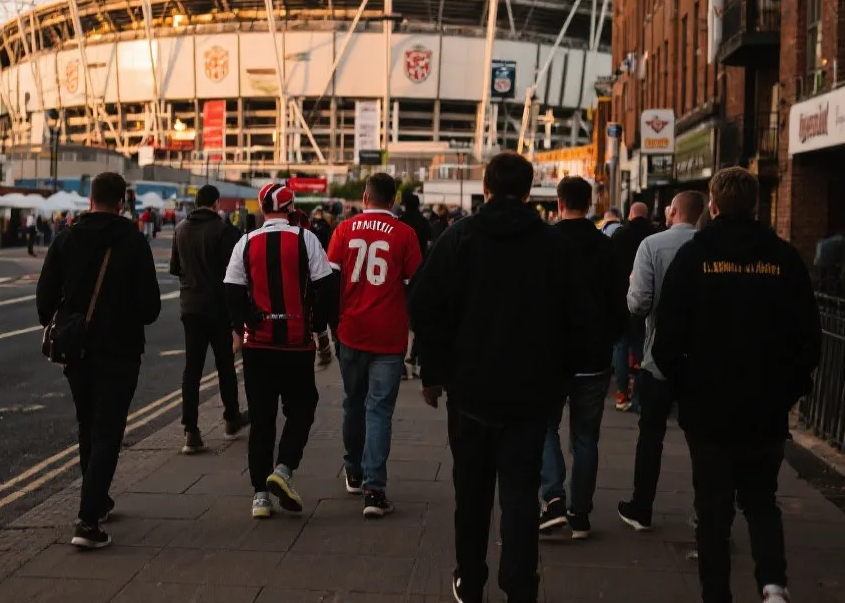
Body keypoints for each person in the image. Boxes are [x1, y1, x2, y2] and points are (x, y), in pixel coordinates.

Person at [410, 152, 585, 603]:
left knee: (471, 493)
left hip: (470, 393)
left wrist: (433, 372)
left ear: (486, 187)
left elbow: (425, 305)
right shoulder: (554, 245)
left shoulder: (459, 237)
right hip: (531, 396)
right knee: (521, 495)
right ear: (529, 191)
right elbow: (575, 319)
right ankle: (520, 585)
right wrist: (561, 377)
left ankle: (470, 580)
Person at [652, 168, 820, 603]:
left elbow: (667, 336)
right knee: (762, 500)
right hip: (765, 405)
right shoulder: (783, 258)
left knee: (713, 508)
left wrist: (681, 384)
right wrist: (790, 389)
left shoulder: (694, 257)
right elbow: (808, 336)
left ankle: (716, 592)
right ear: (756, 205)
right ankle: (773, 585)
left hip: (707, 406)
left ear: (713, 204)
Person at [35, 172, 162, 551]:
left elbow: (44, 302)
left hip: (77, 351)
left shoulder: (66, 239)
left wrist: (68, 321)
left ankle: (99, 500)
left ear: (90, 200)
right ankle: (87, 519)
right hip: (121, 350)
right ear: (122, 202)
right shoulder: (134, 242)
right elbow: (151, 308)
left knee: (88, 425)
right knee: (108, 431)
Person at [223, 182, 337, 520]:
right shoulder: (306, 239)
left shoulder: (245, 242)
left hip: (258, 344)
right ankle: (284, 469)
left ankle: (260, 495)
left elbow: (230, 291)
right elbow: (325, 287)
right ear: (291, 208)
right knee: (302, 406)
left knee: (261, 419)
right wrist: (320, 330)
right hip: (295, 343)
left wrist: (245, 322)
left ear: (261, 210)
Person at [327, 173, 422, 518]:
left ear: (365, 197)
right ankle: (374, 489)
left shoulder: (344, 230)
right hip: (389, 335)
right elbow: (416, 285)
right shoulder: (405, 234)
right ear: (393, 199)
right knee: (379, 410)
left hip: (351, 330)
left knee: (353, 402)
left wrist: (331, 325)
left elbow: (329, 280)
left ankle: (353, 469)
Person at [538, 177, 628, 540]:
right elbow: (620, 301)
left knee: (545, 427)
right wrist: (611, 340)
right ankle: (580, 513)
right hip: (593, 356)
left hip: (551, 355)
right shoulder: (606, 247)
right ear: (590, 203)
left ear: (559, 203)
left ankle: (554, 495)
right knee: (586, 437)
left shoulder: (545, 243)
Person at [618, 190, 705, 532]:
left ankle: (641, 507)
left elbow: (638, 303)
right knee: (702, 441)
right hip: (702, 359)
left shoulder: (652, 246)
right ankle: (703, 515)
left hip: (659, 357)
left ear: (673, 212)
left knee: (650, 434)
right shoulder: (712, 247)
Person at [169, 184, 249, 454]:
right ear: (216, 204)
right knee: (225, 365)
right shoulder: (224, 231)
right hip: (218, 307)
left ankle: (190, 430)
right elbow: (237, 274)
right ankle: (231, 419)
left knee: (192, 369)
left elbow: (175, 268)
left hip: (190, 307)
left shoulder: (180, 229)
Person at [610, 202, 655, 411]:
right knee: (640, 348)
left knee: (620, 346)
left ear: (630, 214)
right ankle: (638, 396)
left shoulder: (619, 236)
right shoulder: (654, 235)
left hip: (620, 300)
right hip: (646, 300)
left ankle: (621, 395)